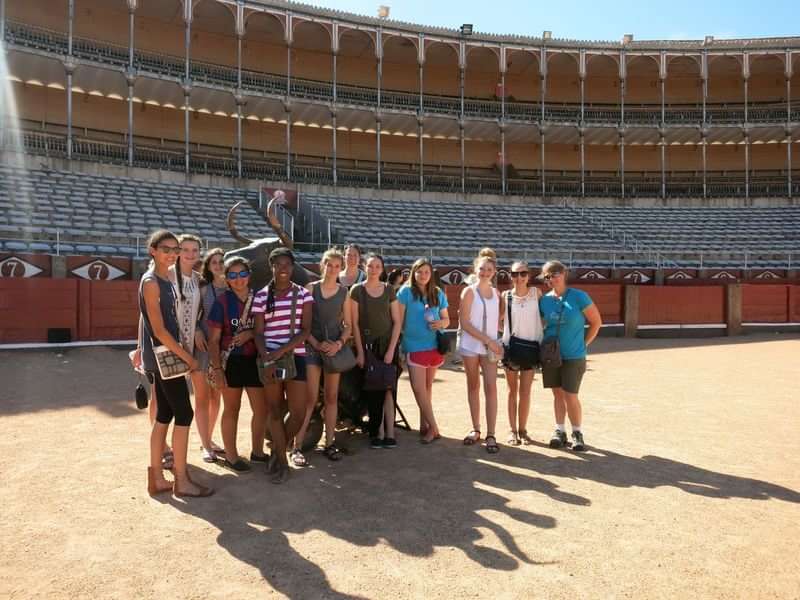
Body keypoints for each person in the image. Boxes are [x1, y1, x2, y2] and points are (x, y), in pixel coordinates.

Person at [139, 229, 212, 497]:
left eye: (174, 249)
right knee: (184, 413)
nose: (171, 254)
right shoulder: (152, 282)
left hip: (162, 356)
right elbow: (158, 330)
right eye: (166, 249)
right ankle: (181, 480)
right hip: (165, 357)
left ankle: (157, 477)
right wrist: (188, 356)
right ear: (153, 251)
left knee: (165, 415)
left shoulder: (163, 279)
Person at [252, 247, 312, 483]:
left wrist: (279, 351)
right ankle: (282, 463)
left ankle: (277, 452)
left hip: (294, 356)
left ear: (293, 266)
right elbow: (258, 332)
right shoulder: (261, 296)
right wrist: (267, 355)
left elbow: (306, 330)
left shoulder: (304, 295)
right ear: (272, 267)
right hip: (269, 359)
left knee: (297, 413)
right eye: (278, 264)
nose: (283, 268)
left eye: (287, 264)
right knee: (275, 411)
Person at [207, 256, 268, 472]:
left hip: (255, 360)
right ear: (227, 278)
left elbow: (267, 329)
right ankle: (231, 457)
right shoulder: (222, 302)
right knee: (232, 409)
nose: (238, 279)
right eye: (232, 275)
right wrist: (217, 369)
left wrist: (250, 333)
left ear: (249, 275)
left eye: (242, 273)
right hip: (231, 361)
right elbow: (213, 341)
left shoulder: (261, 298)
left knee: (261, 410)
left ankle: (258, 452)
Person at [294, 248, 353, 465]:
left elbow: (347, 326)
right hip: (311, 348)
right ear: (323, 265)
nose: (333, 269)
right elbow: (303, 323)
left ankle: (329, 443)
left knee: (331, 398)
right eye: (330, 265)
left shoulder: (343, 292)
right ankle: (297, 445)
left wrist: (338, 344)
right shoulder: (311, 289)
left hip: (333, 351)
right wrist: (316, 343)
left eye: (338, 266)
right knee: (309, 399)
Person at [538, 260, 602, 452]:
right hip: (551, 354)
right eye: (548, 275)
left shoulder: (579, 296)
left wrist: (583, 344)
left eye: (556, 273)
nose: (553, 277)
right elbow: (540, 324)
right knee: (557, 393)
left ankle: (577, 432)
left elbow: (596, 322)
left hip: (574, 355)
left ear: (564, 273)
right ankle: (559, 430)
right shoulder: (545, 300)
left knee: (571, 394)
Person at [170, 234, 219, 463]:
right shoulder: (168, 275)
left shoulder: (200, 280)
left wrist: (199, 328)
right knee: (164, 400)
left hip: (201, 346)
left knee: (209, 398)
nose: (190, 254)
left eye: (194, 250)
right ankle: (164, 448)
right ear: (178, 251)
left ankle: (206, 441)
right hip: (172, 345)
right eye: (186, 249)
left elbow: (201, 313)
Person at [351, 253, 403, 448]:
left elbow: (397, 322)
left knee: (389, 390)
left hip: (388, 346)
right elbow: (355, 324)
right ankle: (377, 431)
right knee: (374, 391)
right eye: (370, 266)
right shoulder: (357, 290)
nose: (373, 270)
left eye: (377, 266)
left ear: (382, 269)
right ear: (365, 267)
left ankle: (390, 432)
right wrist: (361, 352)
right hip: (368, 347)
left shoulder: (389, 290)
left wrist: (391, 350)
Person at [397, 257, 449, 444]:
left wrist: (441, 323)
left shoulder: (436, 292)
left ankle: (424, 425)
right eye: (419, 271)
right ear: (414, 273)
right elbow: (399, 320)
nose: (423, 275)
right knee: (419, 389)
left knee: (426, 389)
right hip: (413, 345)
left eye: (426, 272)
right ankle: (434, 428)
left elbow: (447, 319)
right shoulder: (405, 292)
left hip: (433, 345)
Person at [457, 248, 504, 454]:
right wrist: (489, 340)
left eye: (489, 269)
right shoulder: (468, 291)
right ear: (475, 270)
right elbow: (464, 323)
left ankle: (491, 433)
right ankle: (476, 428)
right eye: (482, 269)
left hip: (490, 348)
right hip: (471, 346)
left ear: (494, 272)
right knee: (473, 386)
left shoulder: (497, 293)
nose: (485, 272)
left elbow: (499, 319)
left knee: (491, 388)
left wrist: (498, 341)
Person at [500, 261, 543, 445]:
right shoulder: (506, 295)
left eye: (522, 273)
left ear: (529, 275)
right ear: (510, 276)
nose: (519, 277)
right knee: (512, 391)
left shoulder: (536, 293)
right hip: (511, 347)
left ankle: (523, 430)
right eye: (515, 274)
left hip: (532, 346)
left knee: (525, 391)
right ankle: (512, 430)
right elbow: (498, 319)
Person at [197, 247, 227, 458]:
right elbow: (191, 316)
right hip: (203, 348)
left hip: (223, 350)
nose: (218, 265)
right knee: (202, 397)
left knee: (216, 398)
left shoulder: (234, 287)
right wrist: (197, 330)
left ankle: (208, 439)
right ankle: (205, 445)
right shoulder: (204, 289)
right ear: (208, 266)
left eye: (221, 261)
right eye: (213, 262)